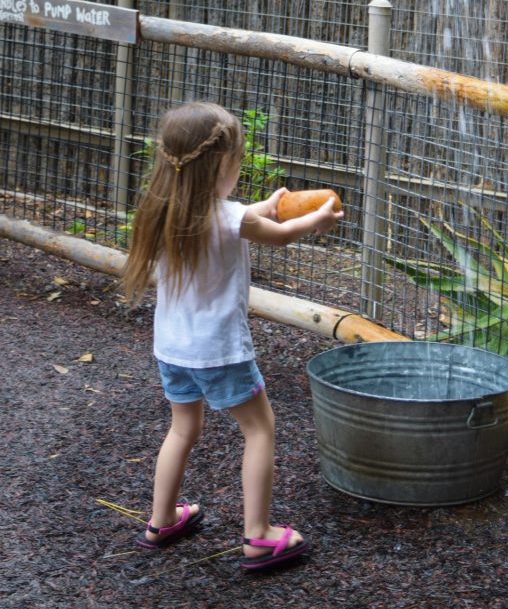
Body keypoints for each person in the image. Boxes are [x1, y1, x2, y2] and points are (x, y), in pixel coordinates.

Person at [122, 101, 343, 571]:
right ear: (221, 165)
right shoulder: (228, 220)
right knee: (259, 428)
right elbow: (278, 235)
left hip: (173, 350)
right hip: (218, 351)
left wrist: (269, 205)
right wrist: (318, 220)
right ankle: (259, 536)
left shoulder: (163, 209)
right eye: (238, 162)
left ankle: (161, 521)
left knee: (183, 428)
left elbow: (240, 218)